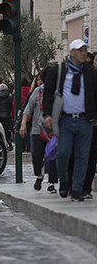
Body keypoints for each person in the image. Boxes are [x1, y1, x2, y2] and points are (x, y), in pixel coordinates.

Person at [42, 39, 97, 201]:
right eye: (80, 50)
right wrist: (47, 114)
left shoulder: (90, 72)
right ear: (71, 52)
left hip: (85, 120)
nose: (83, 53)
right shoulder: (58, 71)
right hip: (64, 119)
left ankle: (78, 189)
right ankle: (64, 181)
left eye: (85, 50)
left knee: (83, 155)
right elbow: (48, 94)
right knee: (63, 152)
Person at [20, 68, 58, 192]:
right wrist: (23, 124)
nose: (40, 82)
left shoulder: (57, 92)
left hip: (52, 131)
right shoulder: (36, 92)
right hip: (37, 130)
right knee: (36, 155)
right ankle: (39, 175)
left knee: (52, 157)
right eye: (39, 79)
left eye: (42, 79)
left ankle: (52, 183)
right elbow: (28, 109)